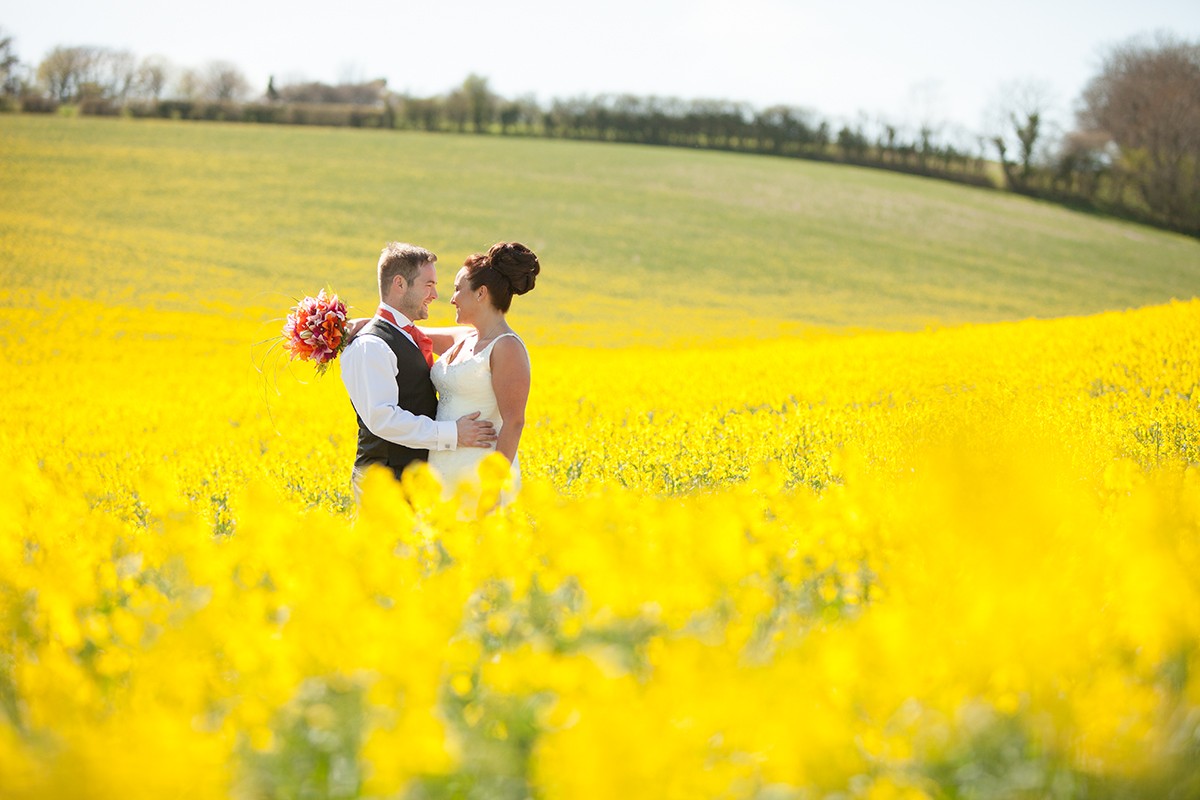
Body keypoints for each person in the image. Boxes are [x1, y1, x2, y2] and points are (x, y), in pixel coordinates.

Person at [340, 242, 497, 502]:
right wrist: (453, 433)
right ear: (399, 284)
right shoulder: (371, 345)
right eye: (428, 285)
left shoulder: (405, 335)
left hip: (412, 480)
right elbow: (383, 419)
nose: (435, 295)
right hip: (385, 482)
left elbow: (471, 335)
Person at [428, 242, 539, 499]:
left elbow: (514, 422)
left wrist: (490, 489)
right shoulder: (464, 338)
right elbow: (406, 332)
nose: (452, 298)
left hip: (478, 478)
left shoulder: (506, 347)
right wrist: (342, 325)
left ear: (481, 293)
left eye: (458, 289)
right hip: (442, 470)